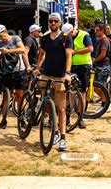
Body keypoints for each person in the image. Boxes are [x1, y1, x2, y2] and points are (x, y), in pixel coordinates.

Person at [36, 13, 73, 152]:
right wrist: (37, 68)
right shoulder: (45, 38)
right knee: (47, 106)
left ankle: (62, 137)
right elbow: (42, 54)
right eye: (50, 21)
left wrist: (67, 73)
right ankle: (55, 131)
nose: (52, 23)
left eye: (55, 21)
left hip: (60, 77)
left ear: (60, 22)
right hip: (46, 75)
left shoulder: (65, 38)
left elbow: (69, 56)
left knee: (61, 109)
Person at [0, 24, 27, 127]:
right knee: (6, 95)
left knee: (19, 95)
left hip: (19, 70)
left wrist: (8, 51)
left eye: (0, 36)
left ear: (5, 32)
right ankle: (3, 120)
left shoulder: (15, 38)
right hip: (7, 73)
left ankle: (21, 118)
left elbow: (22, 50)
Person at [69, 24, 94, 129]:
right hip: (71, 66)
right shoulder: (66, 36)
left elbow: (90, 49)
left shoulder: (84, 35)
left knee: (82, 93)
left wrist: (75, 52)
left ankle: (80, 118)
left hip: (84, 66)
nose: (70, 34)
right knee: (69, 92)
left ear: (75, 29)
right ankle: (67, 116)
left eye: (71, 32)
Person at [93, 23, 111, 112]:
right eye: (95, 30)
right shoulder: (100, 40)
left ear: (102, 31)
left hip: (104, 66)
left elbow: (103, 54)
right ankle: (108, 101)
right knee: (96, 87)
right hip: (99, 66)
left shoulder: (105, 41)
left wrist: (94, 60)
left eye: (97, 30)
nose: (95, 32)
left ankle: (104, 104)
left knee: (101, 87)